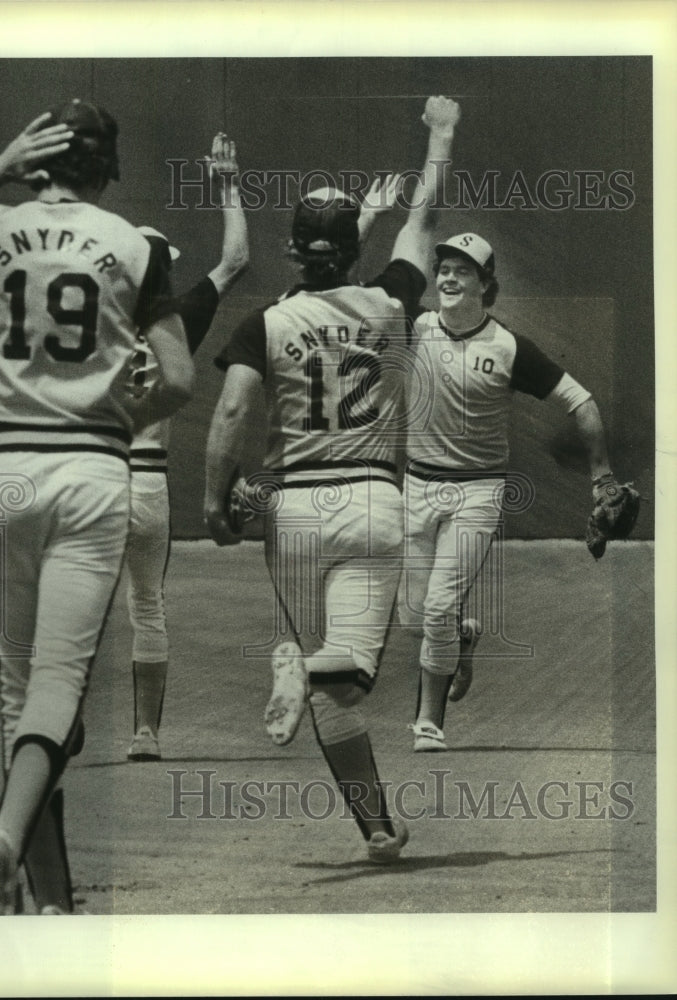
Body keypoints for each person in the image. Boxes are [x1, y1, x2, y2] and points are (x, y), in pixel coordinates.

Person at [0, 100, 194, 914]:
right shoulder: (133, 246)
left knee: (17, 691)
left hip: (5, 469)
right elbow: (178, 380)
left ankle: (47, 901)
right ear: (105, 170)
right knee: (58, 686)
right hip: (91, 470)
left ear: (37, 161)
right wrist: (115, 421)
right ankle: (7, 838)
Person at [204, 96, 461, 863]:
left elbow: (228, 414)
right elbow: (424, 218)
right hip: (372, 500)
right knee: (343, 673)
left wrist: (215, 501)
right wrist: (440, 137)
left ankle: (376, 826)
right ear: (354, 250)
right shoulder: (387, 304)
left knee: (330, 688)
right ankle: (305, 672)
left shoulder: (269, 321)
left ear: (291, 251)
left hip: (292, 513)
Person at [398, 231, 620, 751]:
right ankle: (463, 636)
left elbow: (581, 402)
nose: (449, 278)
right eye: (444, 269)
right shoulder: (413, 328)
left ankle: (428, 722)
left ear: (486, 284)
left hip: (477, 492)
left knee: (435, 611)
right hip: (417, 485)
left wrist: (602, 476)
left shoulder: (508, 346)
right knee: (413, 618)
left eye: (463, 271)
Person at [125, 133, 249, 761]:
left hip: (86, 476)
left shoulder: (81, 317)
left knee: (70, 605)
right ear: (165, 269)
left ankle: (50, 726)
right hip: (146, 482)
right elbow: (235, 260)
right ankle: (146, 733)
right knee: (148, 604)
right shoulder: (174, 317)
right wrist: (228, 180)